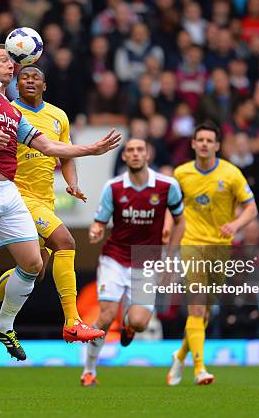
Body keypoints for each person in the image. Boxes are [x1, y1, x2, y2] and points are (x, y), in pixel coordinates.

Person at [0, 44, 120, 361]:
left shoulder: (14, 111)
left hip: (8, 192)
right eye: (4, 59)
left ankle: (3, 324)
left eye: (11, 60)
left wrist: (92, 150)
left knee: (34, 264)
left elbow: (47, 145)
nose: (11, 64)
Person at [0, 65, 104, 343]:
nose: (29, 80)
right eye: (23, 77)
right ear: (16, 84)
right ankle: (72, 322)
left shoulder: (58, 116)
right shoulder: (7, 112)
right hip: (15, 196)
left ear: (44, 85)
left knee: (34, 270)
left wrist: (72, 182)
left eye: (35, 77)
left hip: (45, 199)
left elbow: (65, 155)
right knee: (66, 242)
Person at [80, 138, 185, 387]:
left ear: (147, 154)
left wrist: (170, 259)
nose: (135, 154)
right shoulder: (114, 187)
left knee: (139, 322)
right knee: (104, 316)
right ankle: (89, 370)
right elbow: (100, 221)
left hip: (147, 261)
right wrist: (96, 231)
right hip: (115, 258)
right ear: (124, 157)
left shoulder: (167, 186)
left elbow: (180, 221)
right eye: (130, 151)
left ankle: (128, 325)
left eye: (140, 150)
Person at [167, 122, 258, 386]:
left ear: (217, 146)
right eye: (201, 140)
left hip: (220, 248)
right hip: (191, 243)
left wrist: (236, 225)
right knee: (196, 306)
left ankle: (180, 354)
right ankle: (199, 369)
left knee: (205, 313)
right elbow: (170, 207)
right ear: (193, 144)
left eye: (210, 140)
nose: (205, 144)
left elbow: (251, 208)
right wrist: (167, 231)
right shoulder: (181, 174)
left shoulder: (231, 174)